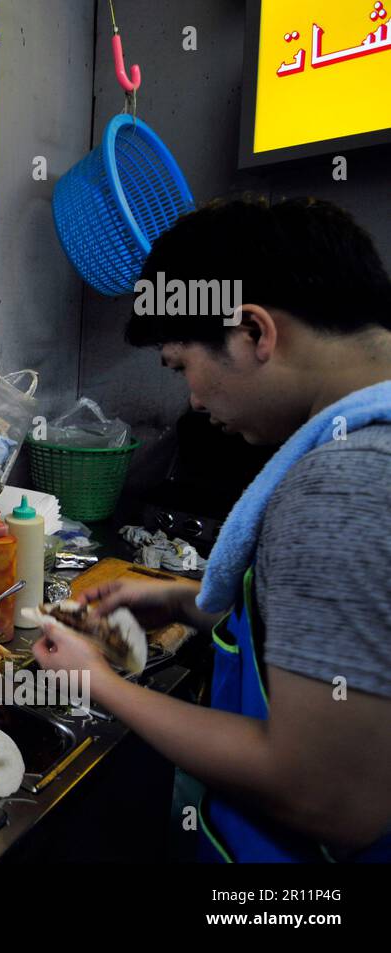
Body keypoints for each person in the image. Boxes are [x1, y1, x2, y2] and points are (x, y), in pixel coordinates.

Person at [34, 197, 391, 862]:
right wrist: (186, 602)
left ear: (255, 332)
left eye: (182, 366)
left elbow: (328, 798)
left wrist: (98, 681)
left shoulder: (345, 483)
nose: (193, 400)